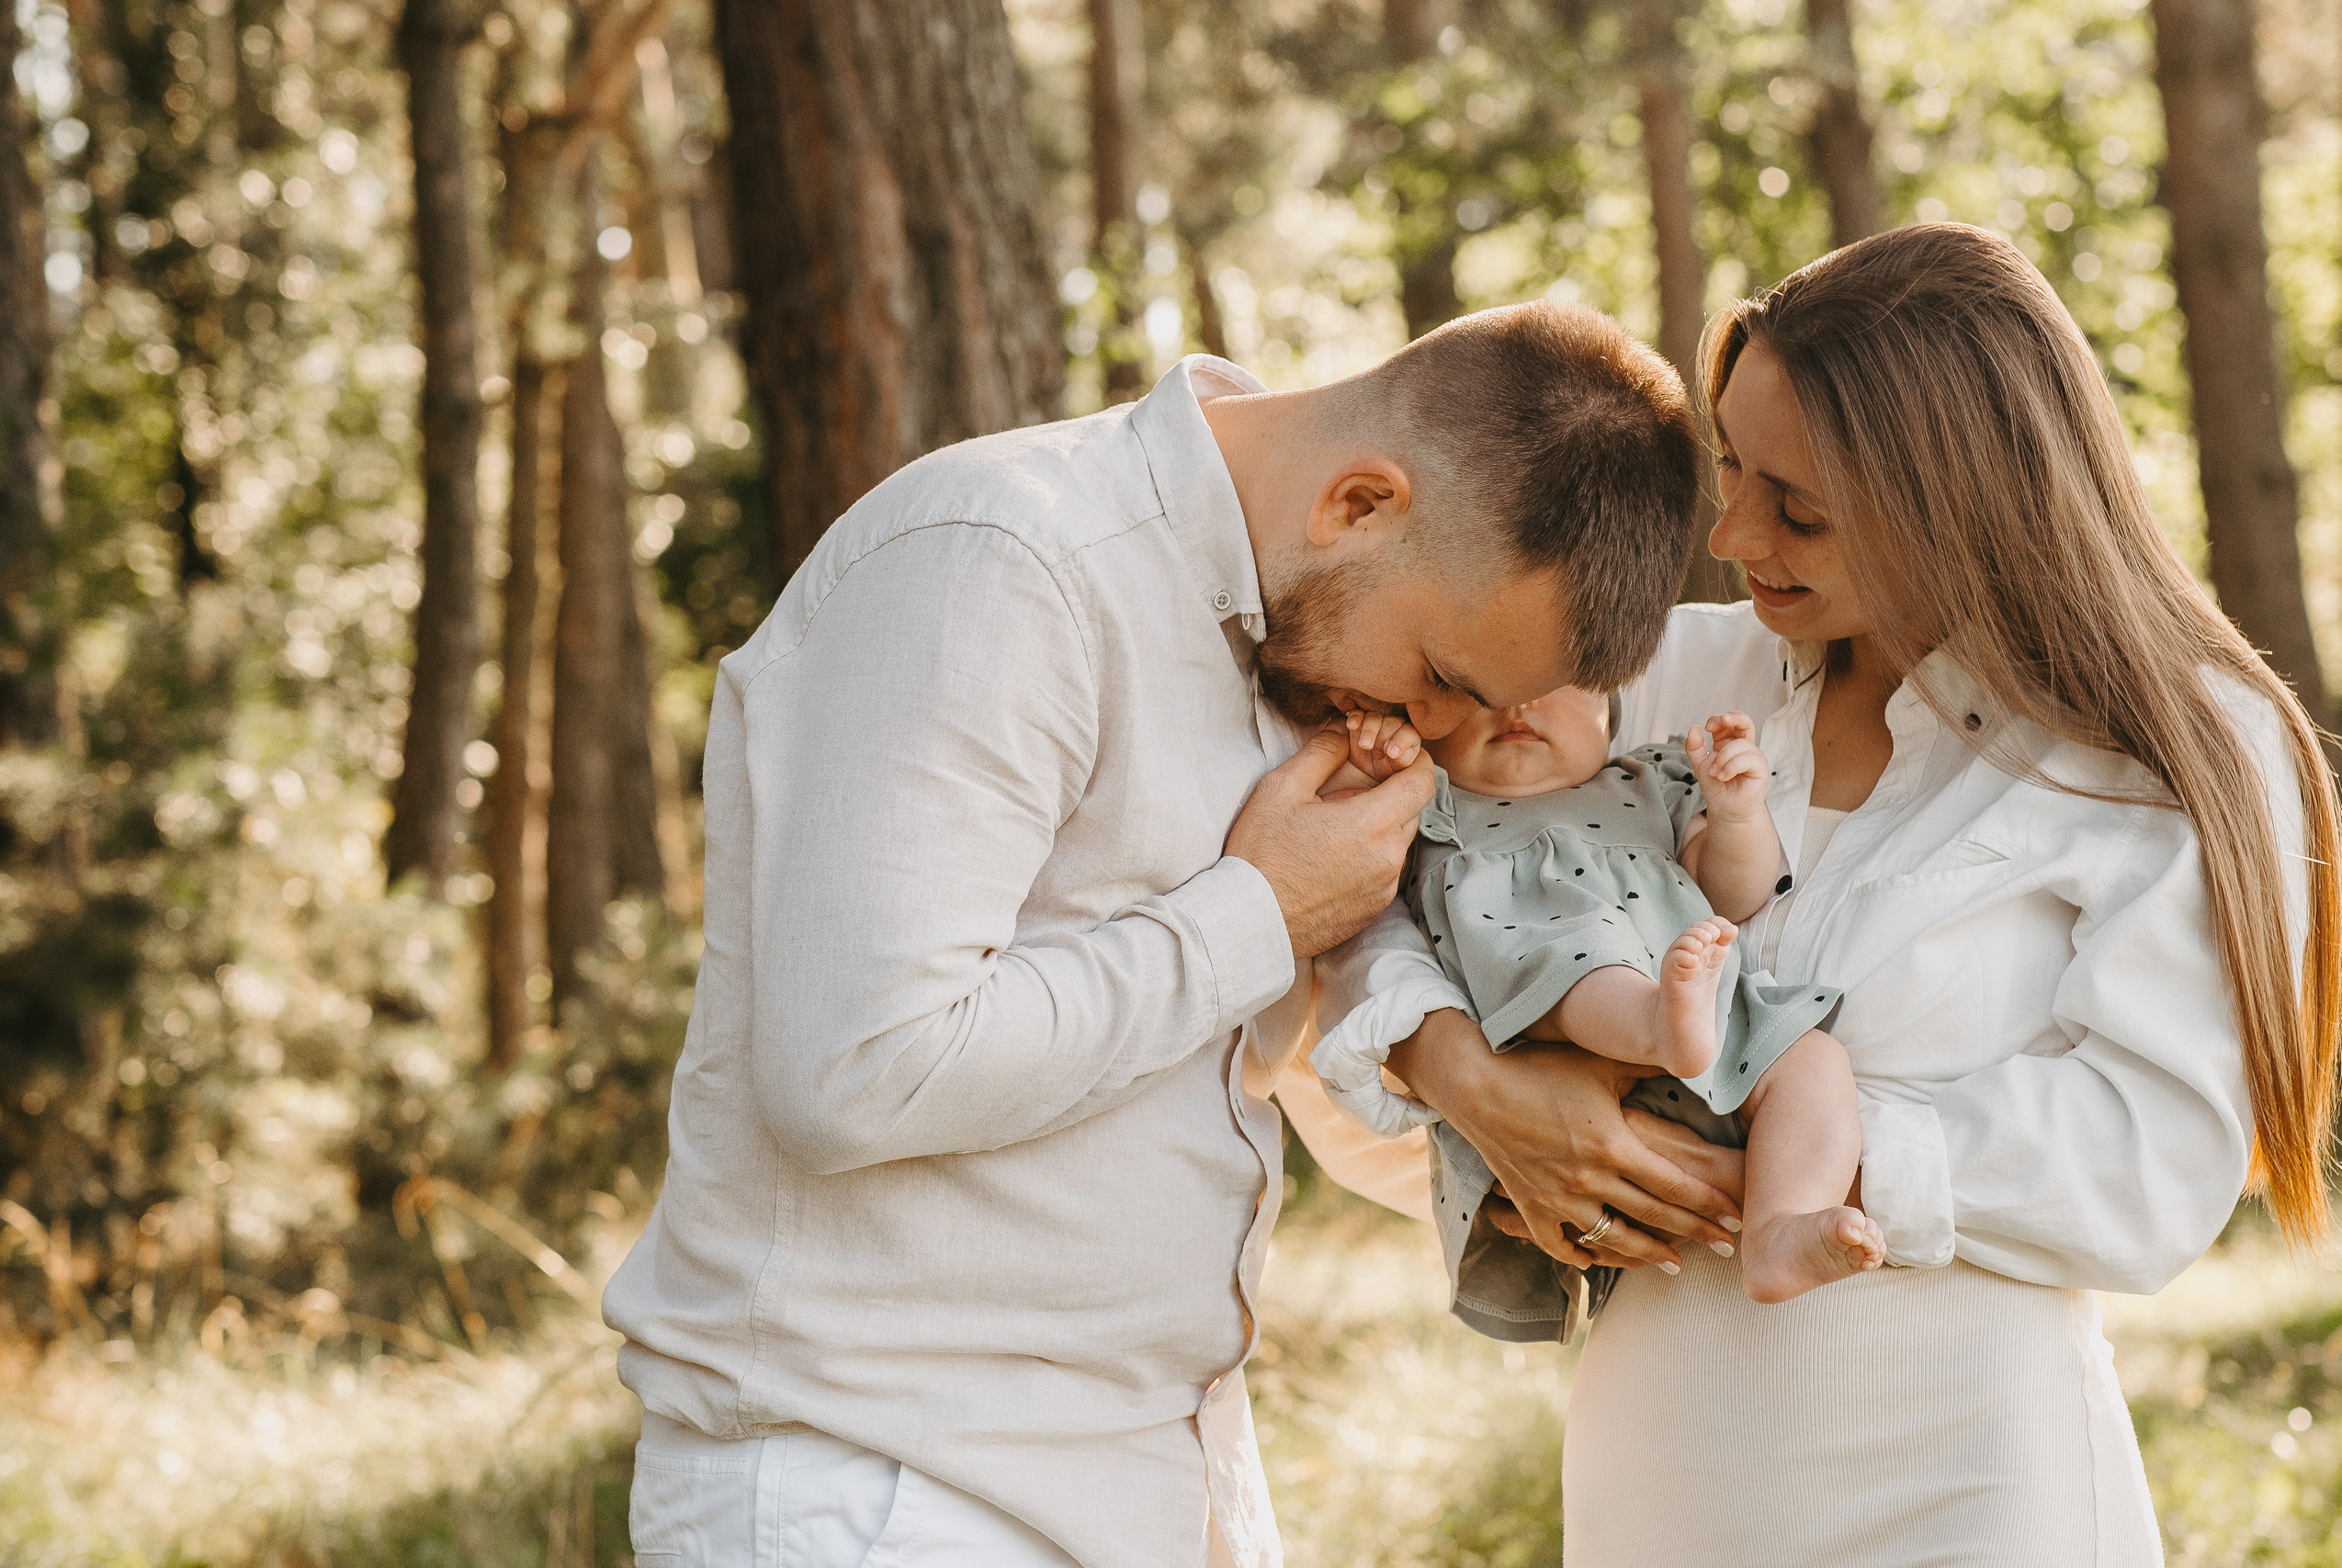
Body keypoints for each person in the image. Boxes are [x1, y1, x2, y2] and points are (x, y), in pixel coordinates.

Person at [602, 301, 1721, 1567]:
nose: (1435, 724)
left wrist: (1502, 1115)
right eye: (1442, 675)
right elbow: (856, 1067)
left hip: (1161, 1477)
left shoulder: (1292, 632)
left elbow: (1222, 1063)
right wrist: (1260, 910)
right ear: (1359, 504)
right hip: (889, 1484)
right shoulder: (999, 562)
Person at [1348, 222, 2341, 1562]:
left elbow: (2148, 1172)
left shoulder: (2173, 756)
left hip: (1966, 1483)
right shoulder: (1663, 681)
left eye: (1798, 508)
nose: (1731, 534)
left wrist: (1782, 1145)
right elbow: (1378, 872)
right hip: (1663, 1470)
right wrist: (1467, 1075)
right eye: (1732, 469)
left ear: (1964, 505)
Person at [1313, 693, 1881, 1312]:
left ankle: (1778, 1230)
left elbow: (1732, 895)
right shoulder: (1428, 802)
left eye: (1557, 680)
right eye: (1484, 687)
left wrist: (1736, 814)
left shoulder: (1650, 780)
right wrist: (1365, 769)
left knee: (1815, 1061)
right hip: (1546, 1064)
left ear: (1611, 703)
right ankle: (1654, 1020)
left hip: (1715, 1044)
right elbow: (1343, 872)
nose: (1518, 702)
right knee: (1583, 947)